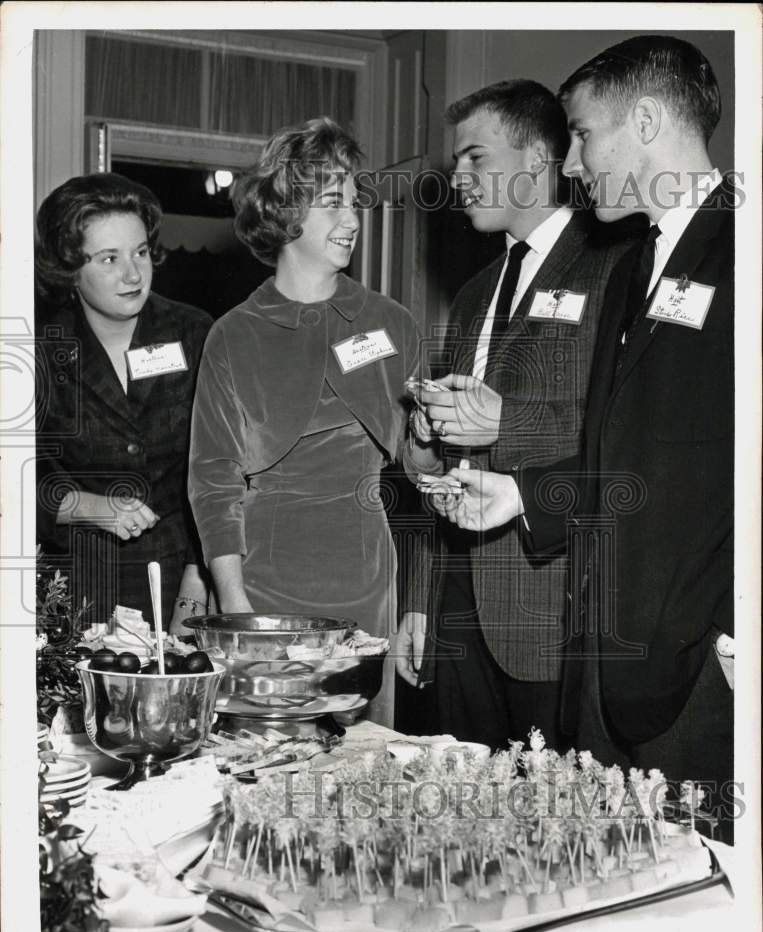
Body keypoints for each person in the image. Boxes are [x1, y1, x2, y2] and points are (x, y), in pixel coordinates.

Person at [441, 37, 735, 834]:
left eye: (582, 135)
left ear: (643, 121)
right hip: (601, 668)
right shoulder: (636, 263)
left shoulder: (743, 250)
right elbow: (630, 454)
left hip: (699, 673)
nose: (570, 163)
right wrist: (518, 493)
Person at [390, 80, 632, 752]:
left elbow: (625, 430)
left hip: (551, 609)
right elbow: (449, 467)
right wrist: (419, 596)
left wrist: (506, 425)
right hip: (456, 612)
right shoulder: (472, 293)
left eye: (475, 159)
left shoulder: (616, 266)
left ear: (535, 159)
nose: (458, 179)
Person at [188, 118, 437, 646]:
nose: (352, 218)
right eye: (332, 202)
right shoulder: (233, 335)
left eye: (354, 201)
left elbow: (423, 476)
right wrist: (232, 599)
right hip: (259, 587)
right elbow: (213, 481)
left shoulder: (392, 324)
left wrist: (428, 442)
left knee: (366, 731)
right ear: (283, 213)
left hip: (366, 583)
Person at [35, 172, 212, 633]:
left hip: (183, 581)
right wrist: (85, 505)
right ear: (68, 268)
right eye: (109, 258)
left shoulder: (194, 333)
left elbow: (223, 472)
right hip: (71, 592)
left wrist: (195, 596)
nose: (133, 274)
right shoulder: (37, 347)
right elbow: (13, 479)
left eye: (140, 252)